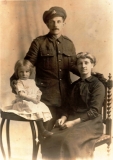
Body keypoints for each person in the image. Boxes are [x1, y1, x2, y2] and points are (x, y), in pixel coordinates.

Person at [10, 6, 106, 131]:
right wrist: (16, 85)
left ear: (63, 23)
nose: (56, 25)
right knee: (46, 136)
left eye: (59, 21)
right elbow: (26, 66)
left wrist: (93, 75)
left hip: (67, 97)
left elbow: (72, 65)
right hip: (45, 98)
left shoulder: (69, 43)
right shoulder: (39, 43)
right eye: (52, 21)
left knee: (64, 133)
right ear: (47, 24)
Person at [41, 52, 105, 159]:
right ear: (77, 66)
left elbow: (94, 111)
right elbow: (68, 107)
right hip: (72, 120)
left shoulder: (98, 85)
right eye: (80, 63)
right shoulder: (74, 85)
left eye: (86, 63)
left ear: (92, 65)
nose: (83, 66)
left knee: (68, 141)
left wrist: (73, 122)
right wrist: (63, 117)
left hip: (91, 123)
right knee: (50, 138)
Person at [5, 59, 53, 138]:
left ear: (30, 72)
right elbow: (21, 94)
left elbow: (38, 91)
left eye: (27, 71)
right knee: (32, 107)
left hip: (33, 101)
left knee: (44, 108)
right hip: (23, 102)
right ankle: (42, 130)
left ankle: (44, 130)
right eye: (21, 72)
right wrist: (32, 99)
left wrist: (38, 96)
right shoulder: (19, 82)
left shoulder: (32, 81)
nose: (24, 74)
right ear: (17, 72)